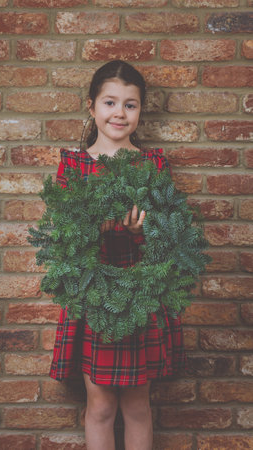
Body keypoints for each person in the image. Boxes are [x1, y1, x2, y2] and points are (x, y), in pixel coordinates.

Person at [49, 60, 186, 450]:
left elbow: (172, 242)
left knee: (138, 406)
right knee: (101, 405)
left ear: (140, 111)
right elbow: (64, 243)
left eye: (130, 105)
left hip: (140, 298)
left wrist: (143, 232)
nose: (120, 113)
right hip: (94, 298)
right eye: (110, 103)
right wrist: (96, 229)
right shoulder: (73, 167)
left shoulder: (153, 165)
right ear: (91, 107)